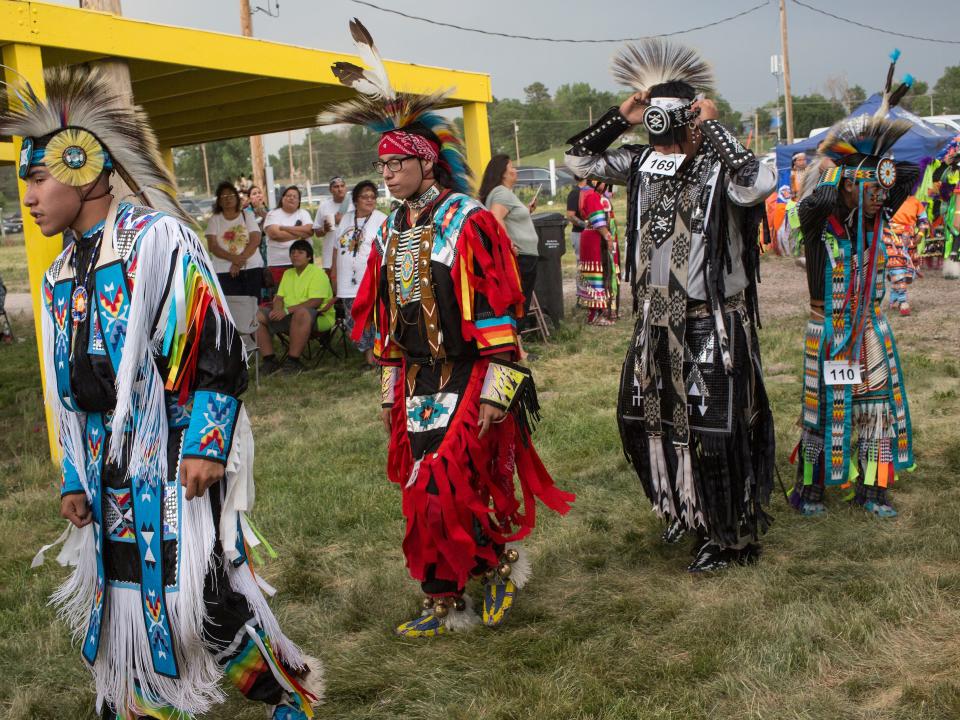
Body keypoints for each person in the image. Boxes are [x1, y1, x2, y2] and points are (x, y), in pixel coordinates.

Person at [2, 65, 321, 720]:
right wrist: (72, 475)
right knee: (122, 593)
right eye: (24, 182)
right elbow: (68, 393)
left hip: (174, 457)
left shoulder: (158, 240)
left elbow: (216, 350)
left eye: (37, 178)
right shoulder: (62, 270)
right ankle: (141, 704)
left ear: (87, 174)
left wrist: (206, 444)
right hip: (106, 467)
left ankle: (284, 694)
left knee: (198, 599)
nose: (28, 197)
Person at [322, 18, 575, 636]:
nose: (385, 174)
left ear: (426, 163)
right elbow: (385, 318)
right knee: (420, 490)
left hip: (470, 370)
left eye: (396, 164)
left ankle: (492, 569)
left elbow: (498, 310)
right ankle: (442, 594)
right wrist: (390, 385)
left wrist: (499, 386)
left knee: (458, 482)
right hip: (416, 378)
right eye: (381, 166)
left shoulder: (469, 221)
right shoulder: (389, 229)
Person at [566, 38, 776, 571]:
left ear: (687, 121)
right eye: (651, 122)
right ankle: (684, 508)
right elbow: (577, 159)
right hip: (654, 324)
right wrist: (623, 114)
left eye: (668, 122)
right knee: (641, 421)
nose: (658, 134)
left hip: (711, 323)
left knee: (714, 434)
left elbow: (758, 184)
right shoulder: (639, 164)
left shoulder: (717, 168)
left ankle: (730, 537)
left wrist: (713, 126)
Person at [791, 115, 918, 518]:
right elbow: (815, 202)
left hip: (870, 329)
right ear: (846, 185)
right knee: (823, 409)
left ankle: (873, 491)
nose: (882, 196)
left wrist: (875, 162)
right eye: (871, 188)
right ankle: (811, 490)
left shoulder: (876, 217)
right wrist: (834, 169)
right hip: (830, 329)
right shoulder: (816, 223)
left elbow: (909, 176)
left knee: (877, 408)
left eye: (883, 188)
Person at [479, 154, 541, 329]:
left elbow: (508, 219)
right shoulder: (501, 192)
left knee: (518, 302)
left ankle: (515, 344)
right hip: (520, 256)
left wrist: (527, 211)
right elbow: (495, 218)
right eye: (511, 167)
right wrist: (509, 245)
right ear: (502, 173)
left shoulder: (504, 194)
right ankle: (516, 345)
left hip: (523, 255)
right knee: (518, 302)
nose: (515, 170)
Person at [256, 239, 335, 375]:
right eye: (292, 252)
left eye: (300, 252)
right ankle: (269, 360)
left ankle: (293, 362)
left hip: (318, 317)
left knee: (302, 313)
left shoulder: (318, 273)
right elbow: (279, 297)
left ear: (309, 257)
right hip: (288, 316)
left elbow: (315, 302)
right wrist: (277, 309)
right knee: (257, 315)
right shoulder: (288, 273)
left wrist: (286, 310)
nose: (295, 255)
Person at [333, 179, 386, 367]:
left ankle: (376, 357)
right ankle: (368, 355)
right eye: (365, 197)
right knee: (354, 321)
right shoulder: (346, 218)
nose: (370, 200)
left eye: (373, 197)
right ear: (356, 200)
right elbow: (335, 247)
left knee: (375, 318)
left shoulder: (381, 219)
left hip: (371, 279)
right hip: (347, 280)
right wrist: (333, 273)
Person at [205, 181, 263, 298]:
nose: (228, 199)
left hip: (251, 268)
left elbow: (255, 239)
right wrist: (234, 259)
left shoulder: (247, 215)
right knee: (232, 309)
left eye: (231, 195)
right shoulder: (214, 219)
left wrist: (238, 263)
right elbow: (213, 246)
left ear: (237, 198)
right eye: (224, 196)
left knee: (252, 307)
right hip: (224, 270)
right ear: (219, 201)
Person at [576, 179, 616, 325]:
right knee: (596, 275)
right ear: (594, 181)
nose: (606, 184)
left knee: (604, 273)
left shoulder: (600, 196)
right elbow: (598, 220)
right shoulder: (592, 196)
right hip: (595, 240)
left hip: (599, 239)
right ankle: (594, 315)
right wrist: (608, 237)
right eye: (604, 180)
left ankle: (603, 311)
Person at [884, 194, 929, 315]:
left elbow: (923, 220)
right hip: (891, 238)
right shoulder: (888, 199)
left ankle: (894, 297)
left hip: (909, 241)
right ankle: (903, 301)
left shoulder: (915, 202)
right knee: (896, 268)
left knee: (905, 271)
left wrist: (920, 234)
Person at [264, 186, 313, 287]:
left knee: (303, 294)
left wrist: (284, 228)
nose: (291, 198)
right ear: (282, 199)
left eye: (295, 196)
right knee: (281, 296)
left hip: (303, 263)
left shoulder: (303, 213)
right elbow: (275, 234)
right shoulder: (272, 214)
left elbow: (310, 231)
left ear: (299, 201)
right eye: (288, 195)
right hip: (279, 262)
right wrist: (300, 232)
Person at [313, 176, 353, 275]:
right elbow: (317, 233)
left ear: (346, 188)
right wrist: (325, 229)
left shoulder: (354, 204)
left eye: (342, 186)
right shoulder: (324, 206)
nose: (340, 189)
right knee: (332, 288)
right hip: (330, 257)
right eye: (336, 186)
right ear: (330, 190)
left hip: (351, 255)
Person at [566, 175, 588, 260]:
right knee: (582, 262)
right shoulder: (575, 193)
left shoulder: (592, 190)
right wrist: (585, 225)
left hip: (591, 233)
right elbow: (571, 216)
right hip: (579, 233)